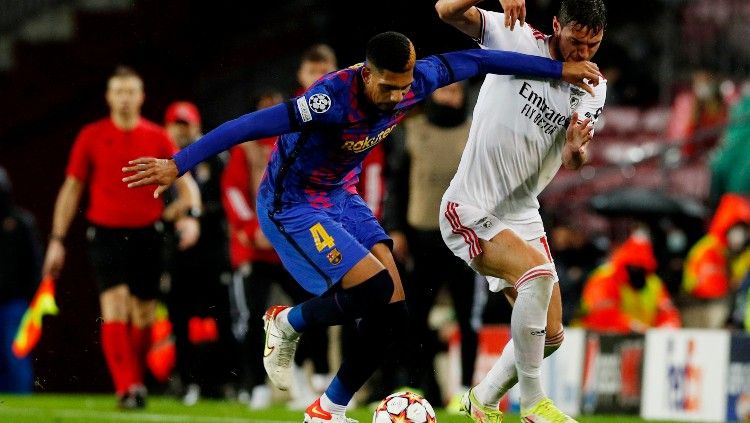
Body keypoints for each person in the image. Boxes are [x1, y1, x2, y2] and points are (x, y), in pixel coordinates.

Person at [122, 31, 599, 422]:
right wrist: (178, 164)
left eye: (404, 87)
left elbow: (483, 59)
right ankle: (286, 322)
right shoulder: (329, 99)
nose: (398, 97)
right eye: (388, 87)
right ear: (367, 74)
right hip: (294, 202)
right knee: (372, 291)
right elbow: (251, 125)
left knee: (393, 313)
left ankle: (327, 411)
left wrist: (560, 70)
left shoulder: (418, 80)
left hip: (340, 195)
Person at [435, 0, 607, 421]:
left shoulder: (592, 85)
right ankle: (532, 403)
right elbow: (445, 10)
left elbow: (573, 161)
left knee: (550, 336)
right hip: (470, 204)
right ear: (555, 26)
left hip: (522, 212)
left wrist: (575, 149)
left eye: (593, 45)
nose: (582, 54)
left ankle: (483, 399)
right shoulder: (514, 35)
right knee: (538, 275)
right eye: (575, 41)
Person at [42, 66, 202, 409]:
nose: (125, 98)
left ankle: (135, 383)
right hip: (105, 233)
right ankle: (127, 387)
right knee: (114, 306)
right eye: (119, 92)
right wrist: (57, 238)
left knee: (143, 315)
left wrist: (186, 216)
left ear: (141, 97)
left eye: (131, 92)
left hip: (148, 234)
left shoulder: (157, 136)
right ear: (109, 97)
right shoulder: (91, 135)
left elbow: (187, 186)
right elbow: (72, 188)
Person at [382, 81, 478, 408]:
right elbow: (396, 183)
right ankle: (420, 386)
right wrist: (395, 228)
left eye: (456, 93)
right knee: (416, 316)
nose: (451, 98)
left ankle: (466, 390)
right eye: (446, 92)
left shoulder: (474, 132)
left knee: (467, 316)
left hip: (465, 237)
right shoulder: (410, 131)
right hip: (421, 235)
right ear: (433, 94)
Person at [162, 101, 233, 405]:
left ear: (196, 126)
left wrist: (195, 212)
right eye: (176, 124)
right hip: (178, 253)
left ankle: (227, 383)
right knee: (179, 319)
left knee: (223, 317)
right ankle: (186, 382)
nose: (181, 130)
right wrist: (171, 214)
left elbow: (226, 203)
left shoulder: (216, 159)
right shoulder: (162, 161)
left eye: (186, 124)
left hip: (213, 251)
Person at [575, 230, 681, 333]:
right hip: (595, 338)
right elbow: (603, 314)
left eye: (642, 267)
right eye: (634, 267)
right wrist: (633, 327)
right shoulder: (605, 278)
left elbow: (667, 311)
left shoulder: (653, 282)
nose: (638, 271)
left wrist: (668, 327)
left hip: (639, 340)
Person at [0, 167, 42, 393]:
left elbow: (34, 263)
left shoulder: (21, 223)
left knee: (14, 354)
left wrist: (31, 296)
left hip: (14, 303)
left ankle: (21, 400)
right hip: (13, 301)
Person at [681, 193, 750, 328]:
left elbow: (737, 280)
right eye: (736, 229)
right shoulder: (708, 247)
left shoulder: (744, 254)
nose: (739, 235)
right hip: (696, 302)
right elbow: (691, 275)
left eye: (744, 230)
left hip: (721, 302)